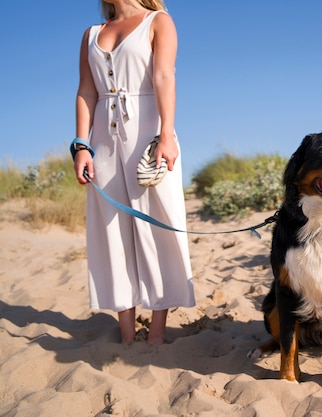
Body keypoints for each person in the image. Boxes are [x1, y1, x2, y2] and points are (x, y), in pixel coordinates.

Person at [72, 0, 195, 345]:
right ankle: (127, 333)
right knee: (110, 229)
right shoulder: (91, 34)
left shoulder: (159, 21)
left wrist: (167, 135)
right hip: (103, 140)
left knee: (157, 224)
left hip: (149, 133)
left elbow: (164, 75)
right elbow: (86, 90)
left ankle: (157, 332)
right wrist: (82, 144)